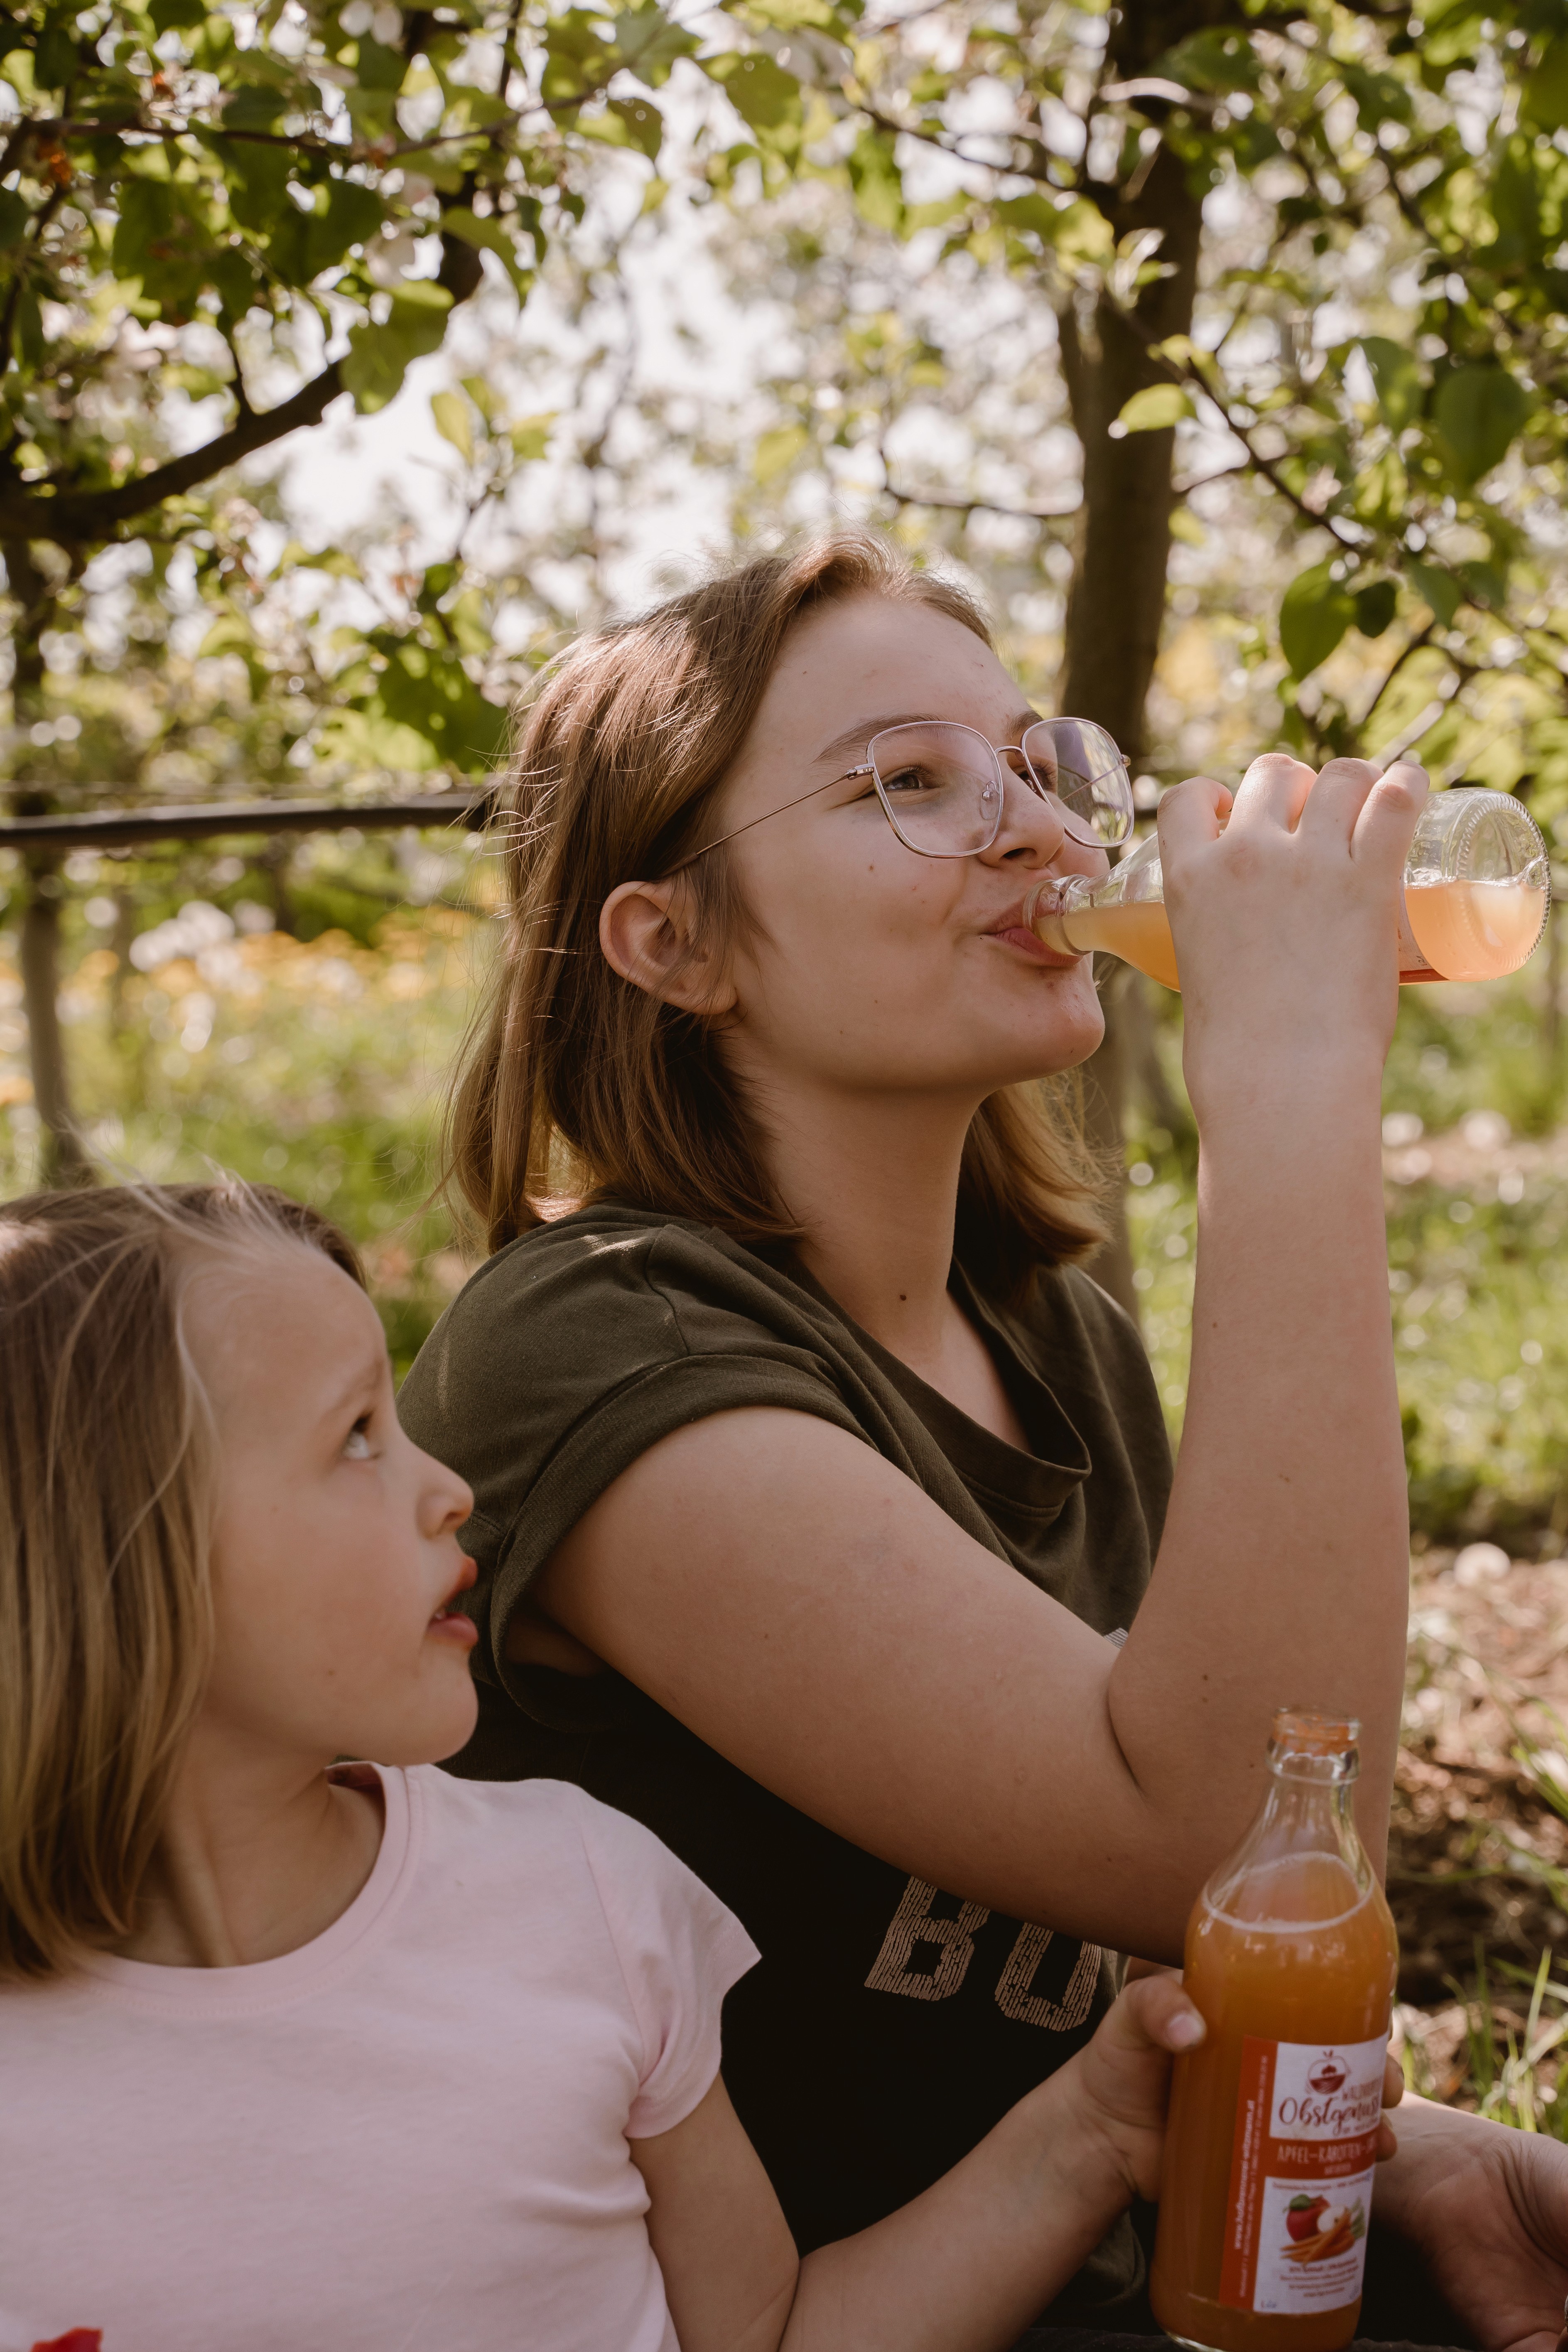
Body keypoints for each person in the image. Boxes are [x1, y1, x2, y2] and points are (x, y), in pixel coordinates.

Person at [399, 531, 1568, 2347]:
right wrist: (1288, 1099)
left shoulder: (1046, 1332)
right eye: (907, 785)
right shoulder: (591, 1348)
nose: (1042, 829)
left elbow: (1237, 1897)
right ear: (674, 942)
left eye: (1032, 763)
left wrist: (1407, 2155)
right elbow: (1203, 1836)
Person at [0, 1176, 1228, 2352]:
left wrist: (1087, 2142)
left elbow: (769, 2339)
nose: (447, 1489)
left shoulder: (587, 1894)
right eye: (359, 1440)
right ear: (119, 1562)